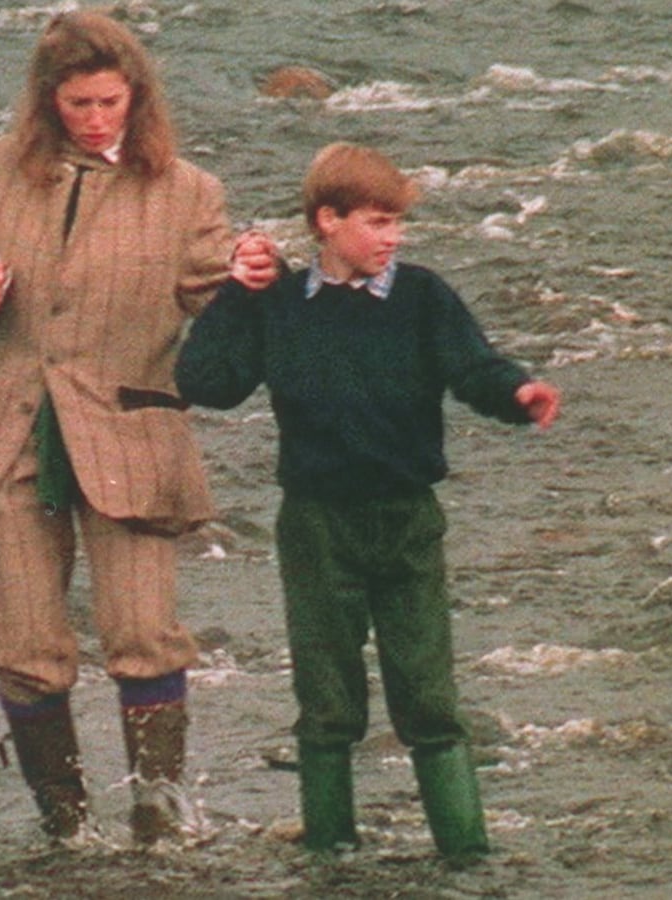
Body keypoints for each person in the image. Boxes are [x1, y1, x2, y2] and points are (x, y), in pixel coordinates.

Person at [0, 10, 276, 845]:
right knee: (24, 645)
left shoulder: (188, 191)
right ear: (48, 100)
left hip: (131, 435)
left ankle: (159, 812)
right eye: (79, 103)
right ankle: (66, 826)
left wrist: (253, 274)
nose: (97, 118)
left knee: (144, 635)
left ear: (137, 98)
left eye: (112, 101)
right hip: (7, 434)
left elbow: (213, 289)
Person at [174, 142, 561, 864]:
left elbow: (473, 366)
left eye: (398, 223)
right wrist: (235, 292)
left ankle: (468, 860)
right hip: (317, 526)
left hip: (408, 519)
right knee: (327, 707)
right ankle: (329, 858)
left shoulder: (422, 296)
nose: (394, 238)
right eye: (379, 222)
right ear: (328, 220)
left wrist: (517, 392)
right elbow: (205, 382)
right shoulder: (279, 305)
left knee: (431, 703)